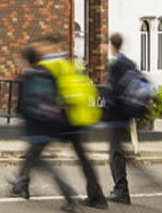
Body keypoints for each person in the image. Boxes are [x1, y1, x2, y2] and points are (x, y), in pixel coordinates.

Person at [11, 34, 107, 210]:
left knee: (36, 152)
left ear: (51, 46)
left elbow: (48, 92)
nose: (39, 48)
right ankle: (97, 196)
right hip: (76, 117)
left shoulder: (50, 65)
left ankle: (24, 185)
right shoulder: (70, 63)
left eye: (42, 45)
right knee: (80, 159)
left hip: (61, 119)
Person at [9, 44, 80, 212]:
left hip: (35, 127)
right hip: (49, 124)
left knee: (42, 163)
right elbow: (58, 98)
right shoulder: (48, 75)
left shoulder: (27, 78)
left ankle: (69, 196)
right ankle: (21, 187)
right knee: (30, 157)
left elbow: (23, 105)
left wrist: (22, 118)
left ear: (26, 61)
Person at [104, 32, 137, 205]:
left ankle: (121, 191)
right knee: (120, 153)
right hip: (127, 115)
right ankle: (122, 187)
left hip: (117, 117)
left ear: (111, 45)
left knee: (115, 154)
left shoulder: (117, 65)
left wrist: (105, 114)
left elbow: (113, 92)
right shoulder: (130, 64)